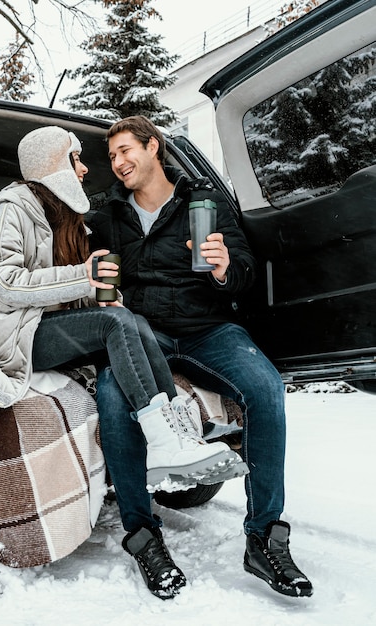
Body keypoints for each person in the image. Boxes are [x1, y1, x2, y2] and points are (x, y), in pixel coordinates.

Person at [0, 125, 247, 525]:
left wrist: (96, 293)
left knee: (126, 317)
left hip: (39, 324)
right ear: (52, 165)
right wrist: (83, 277)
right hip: (5, 332)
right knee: (114, 323)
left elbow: (67, 292)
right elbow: (2, 284)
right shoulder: (12, 205)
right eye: (76, 159)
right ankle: (161, 439)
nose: (85, 169)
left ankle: (173, 436)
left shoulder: (65, 217)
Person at [87, 115, 313, 600]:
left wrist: (225, 268)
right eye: (112, 157)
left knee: (265, 387)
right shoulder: (108, 215)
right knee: (112, 394)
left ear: (153, 147)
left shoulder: (203, 202)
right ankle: (143, 536)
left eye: (126, 150)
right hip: (143, 334)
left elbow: (245, 273)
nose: (119, 163)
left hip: (206, 329)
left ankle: (264, 538)